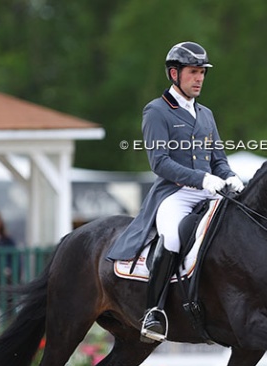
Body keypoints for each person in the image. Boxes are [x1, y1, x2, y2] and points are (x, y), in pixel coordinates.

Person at [106, 41, 244, 343]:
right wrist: (201, 179)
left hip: (210, 190)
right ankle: (154, 311)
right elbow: (160, 162)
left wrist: (231, 177)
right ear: (174, 73)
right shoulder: (156, 111)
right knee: (171, 235)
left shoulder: (206, 114)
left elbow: (218, 159)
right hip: (175, 194)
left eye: (202, 73)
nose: (199, 79)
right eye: (193, 72)